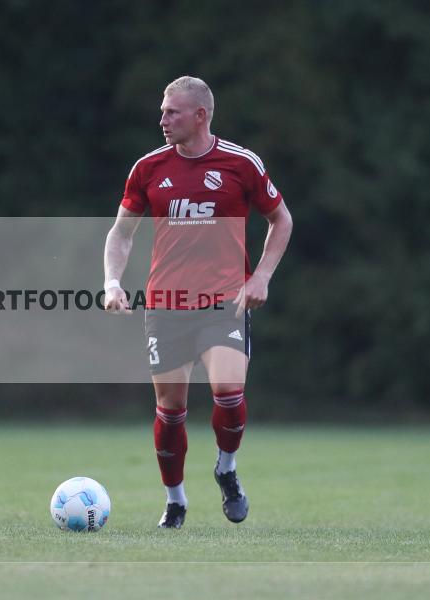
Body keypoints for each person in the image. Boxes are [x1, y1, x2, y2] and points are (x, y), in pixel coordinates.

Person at [103, 76, 293, 528]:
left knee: (228, 394)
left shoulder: (240, 164)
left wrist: (261, 276)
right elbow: (121, 233)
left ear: (200, 115)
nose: (163, 119)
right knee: (170, 412)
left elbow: (281, 220)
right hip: (166, 306)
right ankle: (176, 501)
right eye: (163, 111)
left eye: (172, 112)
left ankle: (226, 470)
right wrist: (112, 281)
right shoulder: (148, 168)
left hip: (222, 303)